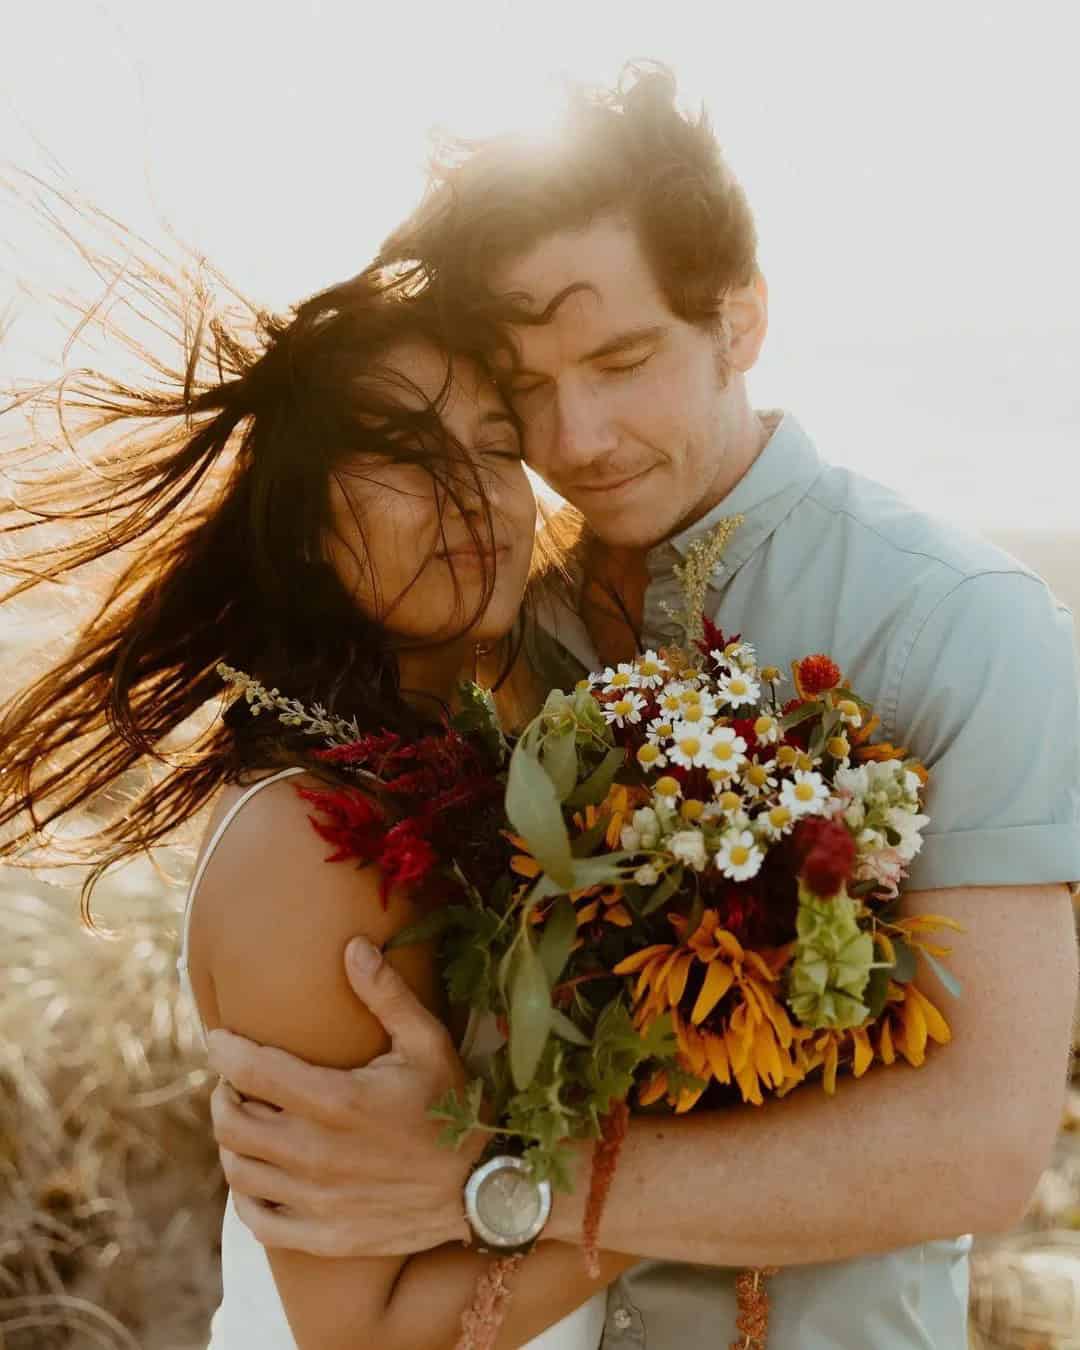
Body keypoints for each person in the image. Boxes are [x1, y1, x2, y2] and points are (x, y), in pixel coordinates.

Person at [205, 64, 1080, 1348]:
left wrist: (495, 1185)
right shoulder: (497, 621)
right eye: (525, 397)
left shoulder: (958, 622)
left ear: (742, 318)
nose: (579, 439)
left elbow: (981, 1149)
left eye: (624, 360)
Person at [0, 252, 640, 1346]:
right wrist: (690, 1162)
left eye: (495, 446)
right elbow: (362, 1338)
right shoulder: (310, 844)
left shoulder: (495, 774)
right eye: (401, 450)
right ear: (299, 522)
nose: (473, 489)